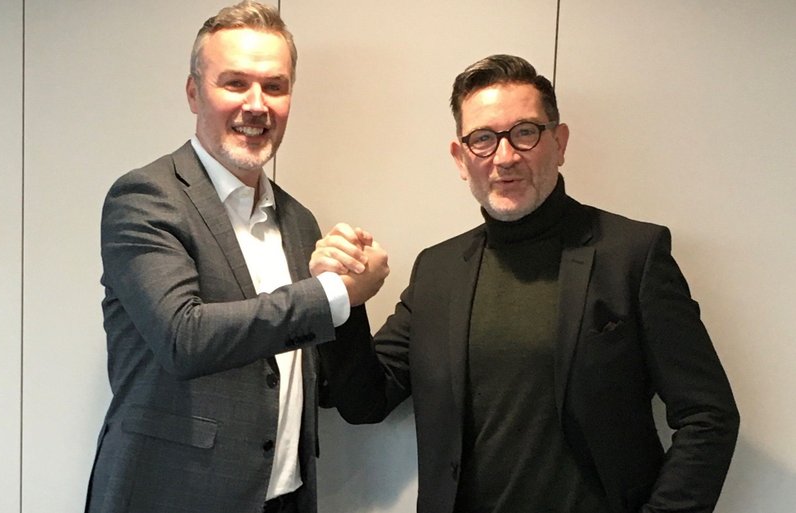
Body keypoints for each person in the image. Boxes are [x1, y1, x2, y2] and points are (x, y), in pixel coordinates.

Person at [310, 54, 739, 513]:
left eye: (525, 132)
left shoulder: (632, 255)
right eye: (483, 139)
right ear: (460, 158)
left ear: (559, 142)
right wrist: (344, 299)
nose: (505, 157)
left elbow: (708, 415)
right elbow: (365, 402)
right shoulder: (437, 270)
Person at [85, 2, 388, 513]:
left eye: (275, 86)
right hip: (171, 498)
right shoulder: (145, 198)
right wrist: (332, 294)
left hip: (284, 499)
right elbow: (184, 338)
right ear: (193, 92)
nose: (257, 105)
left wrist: (348, 286)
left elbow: (331, 382)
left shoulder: (300, 221)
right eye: (235, 83)